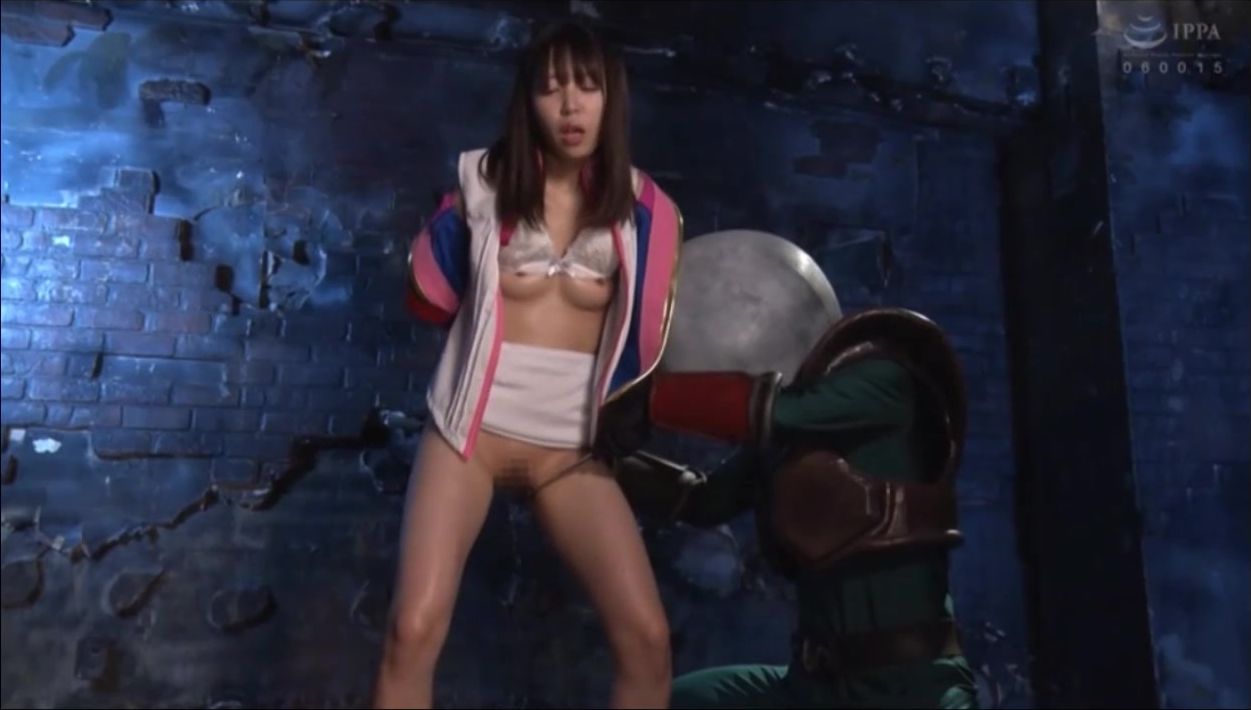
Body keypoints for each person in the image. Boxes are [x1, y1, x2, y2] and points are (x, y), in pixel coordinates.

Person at [372, 20, 682, 710]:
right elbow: (430, 295)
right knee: (411, 629)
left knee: (647, 640)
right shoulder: (482, 184)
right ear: (529, 101)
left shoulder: (646, 211)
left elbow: (649, 337)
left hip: (568, 451)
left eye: (587, 87)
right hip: (469, 438)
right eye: (551, 89)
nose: (570, 106)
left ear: (611, 98)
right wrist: (452, 223)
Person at [607, 230, 979, 708]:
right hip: (813, 688)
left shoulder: (886, 386)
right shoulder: (783, 442)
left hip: (915, 689)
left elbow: (770, 411)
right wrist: (600, 463)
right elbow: (700, 500)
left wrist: (650, 402)